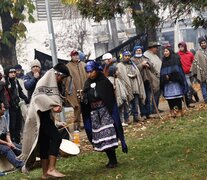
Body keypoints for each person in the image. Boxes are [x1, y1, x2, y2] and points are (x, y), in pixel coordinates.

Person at [20, 63, 70, 179]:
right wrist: (53, 105)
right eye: (61, 77)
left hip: (44, 116)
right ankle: (51, 169)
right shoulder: (44, 81)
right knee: (56, 137)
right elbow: (38, 98)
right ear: (57, 74)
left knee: (44, 143)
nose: (61, 80)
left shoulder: (49, 81)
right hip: (40, 117)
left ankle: (45, 173)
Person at [80, 61, 128, 168]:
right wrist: (84, 98)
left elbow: (108, 97)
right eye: (88, 72)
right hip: (94, 114)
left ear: (96, 71)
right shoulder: (87, 83)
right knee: (101, 136)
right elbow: (87, 97)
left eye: (91, 71)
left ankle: (113, 159)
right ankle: (110, 159)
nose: (89, 74)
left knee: (107, 134)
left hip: (105, 112)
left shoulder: (104, 82)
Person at [117, 50, 146, 123]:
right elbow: (120, 76)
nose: (127, 57)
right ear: (123, 57)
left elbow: (137, 74)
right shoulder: (119, 65)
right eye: (126, 56)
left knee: (135, 103)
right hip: (125, 87)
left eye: (128, 56)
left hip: (134, 86)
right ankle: (126, 119)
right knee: (126, 104)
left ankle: (136, 117)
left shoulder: (133, 65)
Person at [160, 46, 188, 117]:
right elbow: (162, 71)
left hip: (175, 82)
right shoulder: (163, 60)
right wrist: (165, 77)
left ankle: (180, 110)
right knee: (170, 98)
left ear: (170, 51)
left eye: (167, 51)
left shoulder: (175, 58)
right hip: (167, 83)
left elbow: (178, 70)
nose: (165, 53)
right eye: (164, 51)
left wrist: (171, 76)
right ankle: (172, 111)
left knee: (177, 97)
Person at [132, 45, 159, 119]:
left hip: (148, 80)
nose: (138, 51)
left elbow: (152, 67)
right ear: (134, 51)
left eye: (140, 50)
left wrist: (148, 64)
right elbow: (133, 69)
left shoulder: (145, 58)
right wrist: (141, 65)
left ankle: (149, 113)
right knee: (142, 98)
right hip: (139, 81)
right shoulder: (132, 60)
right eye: (137, 50)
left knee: (148, 97)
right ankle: (143, 114)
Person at [4, 66, 29, 144]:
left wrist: (26, 99)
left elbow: (20, 92)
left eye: (14, 72)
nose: (13, 74)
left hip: (17, 105)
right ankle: (12, 142)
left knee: (18, 125)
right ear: (7, 74)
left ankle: (18, 142)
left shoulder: (16, 81)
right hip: (10, 107)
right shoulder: (5, 82)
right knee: (12, 126)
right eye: (11, 72)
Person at [66, 50, 87, 131]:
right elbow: (68, 81)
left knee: (86, 108)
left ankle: (86, 124)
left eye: (77, 55)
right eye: (74, 55)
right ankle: (76, 126)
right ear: (71, 56)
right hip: (75, 91)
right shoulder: (68, 66)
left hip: (84, 90)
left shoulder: (83, 65)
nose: (76, 56)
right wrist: (71, 92)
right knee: (77, 108)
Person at [144, 42, 163, 114]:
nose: (157, 48)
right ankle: (152, 109)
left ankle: (155, 108)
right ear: (151, 48)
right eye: (155, 47)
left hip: (158, 76)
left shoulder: (154, 55)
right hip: (152, 77)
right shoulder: (146, 55)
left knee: (157, 93)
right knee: (152, 94)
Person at [177, 42, 198, 107]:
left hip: (191, 73)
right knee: (189, 86)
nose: (181, 48)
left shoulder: (190, 54)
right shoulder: (177, 55)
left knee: (190, 87)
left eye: (182, 47)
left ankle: (191, 97)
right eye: (180, 47)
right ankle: (194, 93)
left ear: (185, 47)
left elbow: (193, 62)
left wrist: (193, 69)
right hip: (184, 74)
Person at [192, 36, 207, 103]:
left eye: (204, 43)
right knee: (203, 85)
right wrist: (196, 72)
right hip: (202, 72)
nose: (203, 44)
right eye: (202, 43)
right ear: (200, 44)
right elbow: (195, 63)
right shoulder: (198, 53)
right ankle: (206, 98)